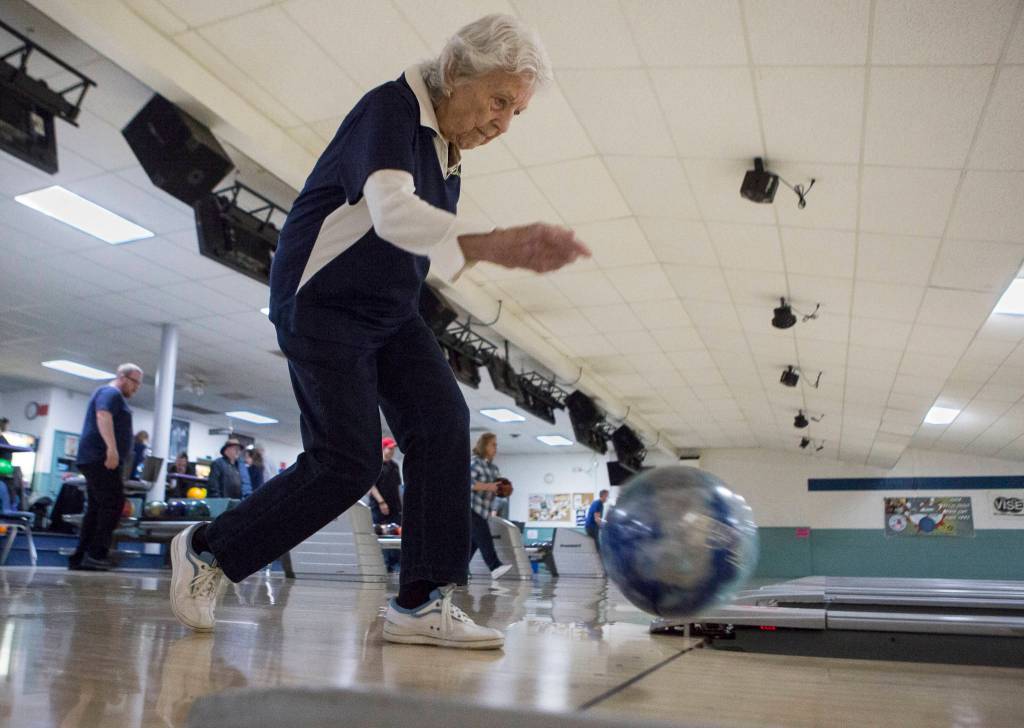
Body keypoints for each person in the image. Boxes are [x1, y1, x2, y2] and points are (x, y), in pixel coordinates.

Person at [169, 14, 589, 650]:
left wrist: (465, 257)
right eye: (500, 100)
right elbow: (392, 212)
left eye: (516, 113)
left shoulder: (448, 151)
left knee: (444, 423)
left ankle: (421, 602)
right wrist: (496, 244)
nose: (503, 124)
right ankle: (207, 551)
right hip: (322, 303)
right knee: (347, 462)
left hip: (390, 311)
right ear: (455, 72)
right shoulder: (390, 109)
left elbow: (413, 243)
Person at [69, 363, 143, 570]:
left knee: (96, 507)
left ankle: (81, 556)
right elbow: (103, 415)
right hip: (100, 458)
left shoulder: (110, 394)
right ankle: (96, 554)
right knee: (113, 503)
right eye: (135, 382)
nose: (137, 388)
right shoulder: (111, 393)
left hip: (95, 458)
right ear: (122, 377)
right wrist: (112, 449)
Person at [469, 432, 512, 581]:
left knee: (473, 543)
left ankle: (457, 572)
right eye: (493, 444)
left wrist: (503, 490)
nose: (496, 447)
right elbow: (468, 483)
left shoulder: (494, 468)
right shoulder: (475, 463)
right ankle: (495, 567)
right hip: (470, 509)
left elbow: (496, 489)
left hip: (483, 511)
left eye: (496, 444)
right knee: (484, 537)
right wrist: (489, 486)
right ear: (484, 446)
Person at [368, 437, 403, 572]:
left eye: (393, 449)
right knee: (381, 535)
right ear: (383, 448)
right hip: (379, 507)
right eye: (389, 448)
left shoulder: (394, 466)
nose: (392, 451)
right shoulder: (376, 465)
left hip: (394, 507)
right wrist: (381, 502)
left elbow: (398, 486)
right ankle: (386, 563)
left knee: (396, 534)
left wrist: (401, 504)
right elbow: (371, 486)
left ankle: (395, 563)